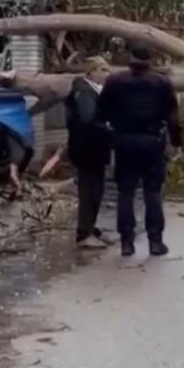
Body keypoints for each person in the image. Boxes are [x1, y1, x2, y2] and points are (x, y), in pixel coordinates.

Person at [97, 46, 182, 257]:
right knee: (152, 192)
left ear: (130, 58)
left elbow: (100, 113)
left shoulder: (115, 81)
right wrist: (177, 142)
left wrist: (112, 134)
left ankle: (127, 242)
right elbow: (172, 116)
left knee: (125, 192)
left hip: (124, 141)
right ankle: (155, 242)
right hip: (152, 142)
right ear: (149, 60)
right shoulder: (161, 82)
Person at [65, 56, 113, 250]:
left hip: (93, 149)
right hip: (86, 149)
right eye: (102, 69)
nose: (106, 74)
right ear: (91, 72)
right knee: (89, 190)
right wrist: (109, 128)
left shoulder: (93, 91)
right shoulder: (85, 92)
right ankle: (83, 233)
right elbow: (87, 119)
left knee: (97, 189)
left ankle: (91, 228)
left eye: (108, 70)